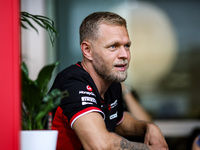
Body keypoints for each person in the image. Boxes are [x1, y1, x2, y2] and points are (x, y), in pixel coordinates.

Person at [51, 11, 168, 150]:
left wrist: (147, 127)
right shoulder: (73, 83)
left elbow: (118, 121)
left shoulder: (111, 82)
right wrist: (149, 149)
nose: (124, 55)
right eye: (113, 46)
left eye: (127, 46)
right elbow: (99, 145)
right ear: (87, 50)